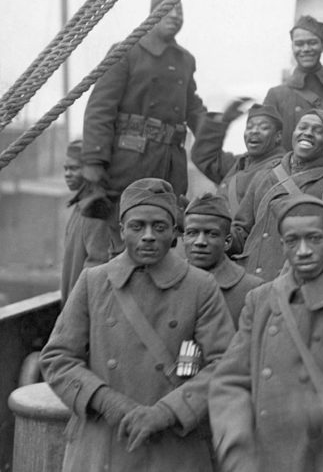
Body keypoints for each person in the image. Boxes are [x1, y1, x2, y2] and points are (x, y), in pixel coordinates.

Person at [40, 178, 234, 472]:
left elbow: (226, 364)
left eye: (159, 227)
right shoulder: (94, 281)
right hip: (101, 443)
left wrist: (166, 412)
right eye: (137, 226)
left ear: (173, 234)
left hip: (173, 445)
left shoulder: (200, 286)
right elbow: (57, 358)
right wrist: (108, 402)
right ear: (122, 230)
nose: (148, 236)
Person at [209, 194, 323, 472]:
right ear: (282, 244)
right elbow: (230, 381)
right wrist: (237, 447)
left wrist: (319, 412)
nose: (303, 250)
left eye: (314, 239)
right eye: (292, 241)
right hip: (261, 459)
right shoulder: (261, 299)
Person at [81, 0, 206, 201]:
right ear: (153, 14)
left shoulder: (185, 60)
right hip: (130, 161)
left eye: (180, 10)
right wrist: (94, 160)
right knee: (127, 224)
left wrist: (215, 127)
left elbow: (192, 107)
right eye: (168, 9)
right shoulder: (127, 51)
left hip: (170, 164)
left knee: (166, 224)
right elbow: (100, 108)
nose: (175, 15)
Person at [230, 109, 323, 281]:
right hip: (251, 278)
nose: (308, 133)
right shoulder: (264, 175)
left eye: (317, 130)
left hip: (297, 284)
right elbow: (242, 231)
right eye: (303, 127)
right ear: (293, 134)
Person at [264, 15, 323, 181]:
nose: (306, 49)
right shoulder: (277, 95)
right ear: (292, 47)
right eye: (299, 44)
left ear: (322, 45)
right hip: (291, 185)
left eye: (312, 42)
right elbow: (267, 149)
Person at [183, 193, 263, 326]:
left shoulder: (251, 289)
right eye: (192, 233)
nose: (200, 242)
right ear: (183, 238)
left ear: (227, 242)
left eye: (212, 234)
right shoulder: (170, 283)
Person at [191, 102, 285, 214]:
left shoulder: (282, 169)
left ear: (278, 136)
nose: (254, 131)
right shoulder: (239, 163)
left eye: (263, 127)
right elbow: (204, 156)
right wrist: (221, 121)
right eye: (249, 127)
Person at [60, 139, 111, 306]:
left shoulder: (94, 209)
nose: (67, 174)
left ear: (90, 171)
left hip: (82, 309)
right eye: (66, 169)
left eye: (74, 168)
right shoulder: (80, 206)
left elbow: (96, 264)